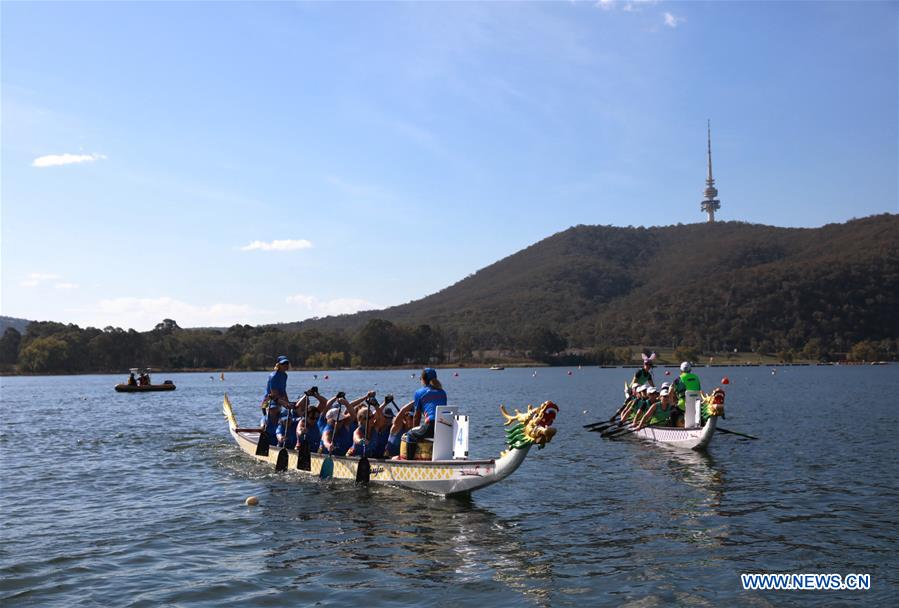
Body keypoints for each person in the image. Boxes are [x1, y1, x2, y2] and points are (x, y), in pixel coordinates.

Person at [401, 368, 447, 459]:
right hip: (445, 428)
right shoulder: (443, 392)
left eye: (420, 378)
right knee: (420, 432)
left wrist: (414, 430)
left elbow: (416, 416)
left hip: (430, 427)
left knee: (410, 434)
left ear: (424, 379)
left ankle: (410, 463)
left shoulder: (419, 392)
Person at [673, 361, 703, 428]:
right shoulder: (696, 377)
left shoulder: (678, 379)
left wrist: (673, 402)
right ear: (690, 370)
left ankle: (674, 428)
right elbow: (699, 389)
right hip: (696, 405)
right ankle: (701, 425)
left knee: (672, 412)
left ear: (681, 370)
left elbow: (670, 392)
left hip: (683, 406)